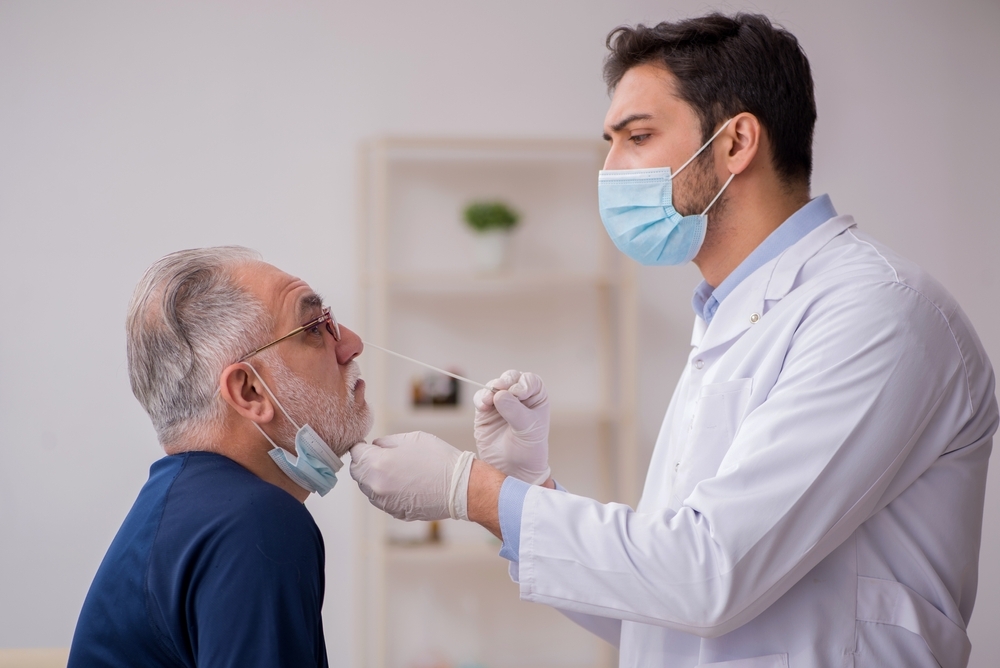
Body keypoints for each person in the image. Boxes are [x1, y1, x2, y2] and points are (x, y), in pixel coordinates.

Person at [349, 13, 998, 668]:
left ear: (736, 142)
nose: (609, 170)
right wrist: (527, 490)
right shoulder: (731, 320)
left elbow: (710, 574)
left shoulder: (877, 313)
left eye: (637, 137)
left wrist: (475, 491)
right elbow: (662, 603)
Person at [69, 247, 371, 668]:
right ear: (249, 391)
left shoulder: (185, 507)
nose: (351, 344)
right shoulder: (254, 522)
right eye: (315, 328)